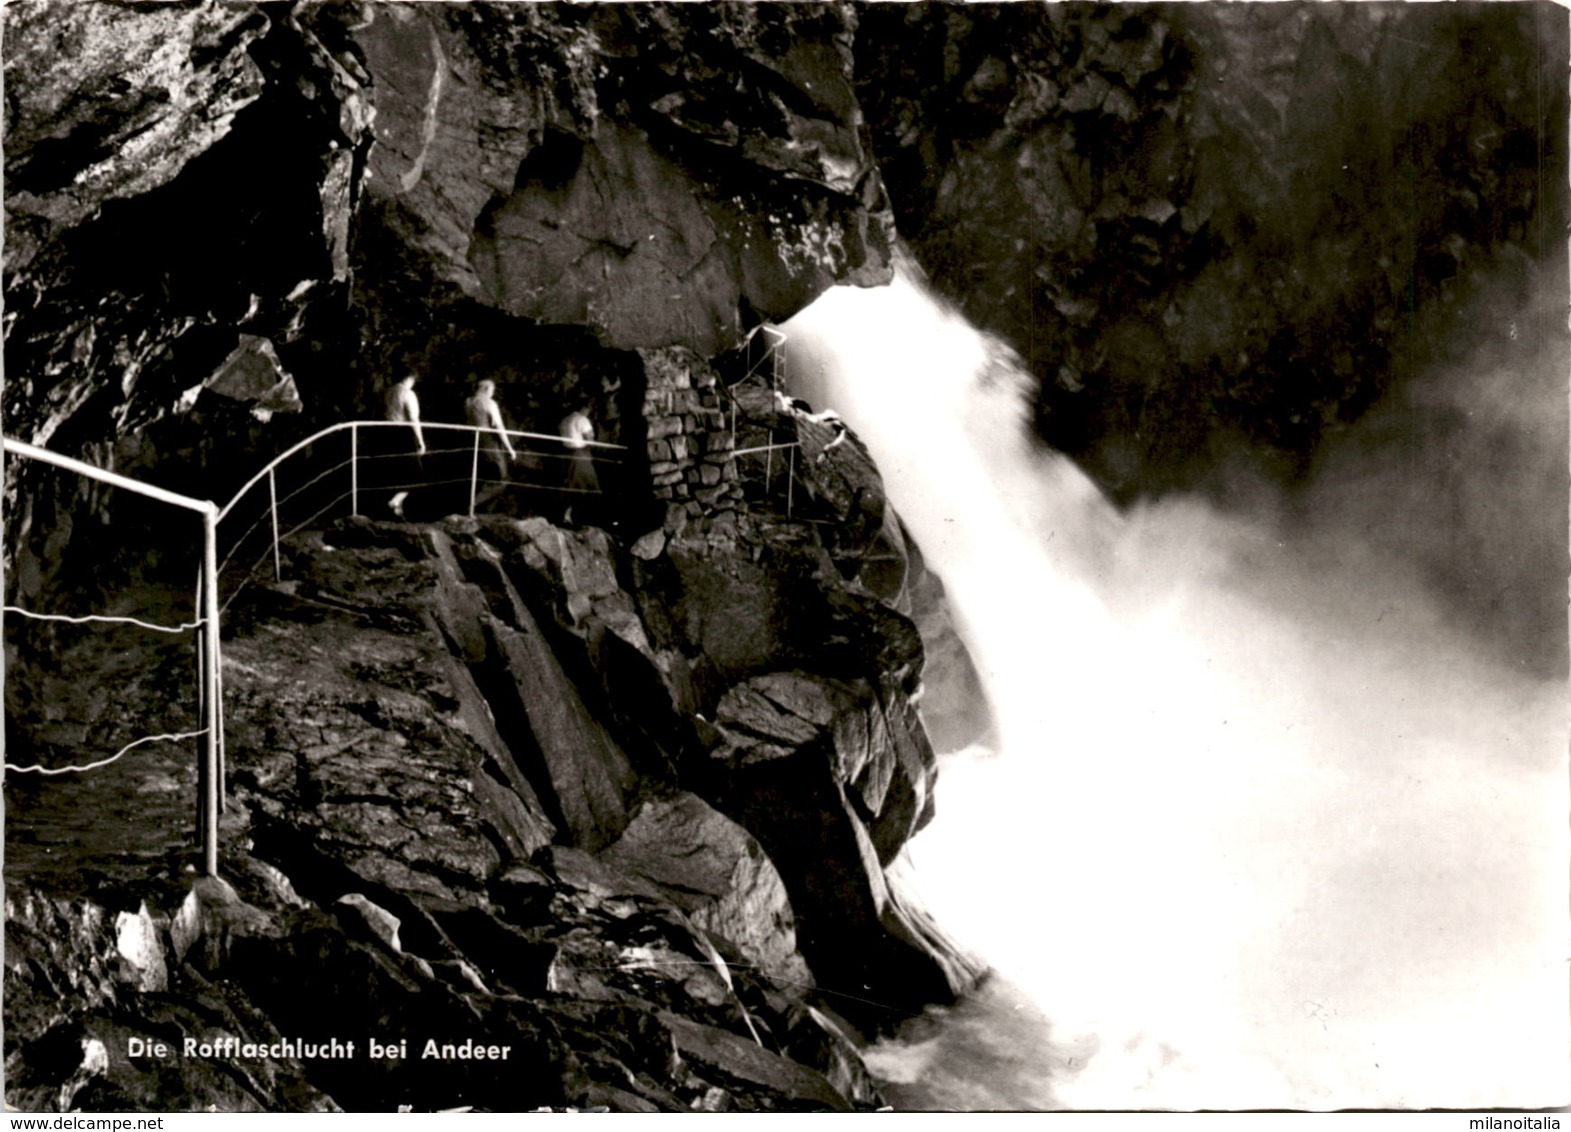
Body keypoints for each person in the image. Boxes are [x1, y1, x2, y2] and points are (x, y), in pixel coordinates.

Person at [382, 373, 426, 518]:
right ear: (411, 379)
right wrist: (420, 441)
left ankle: (397, 509)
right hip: (403, 434)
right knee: (416, 474)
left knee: (394, 472)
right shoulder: (408, 394)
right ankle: (396, 501)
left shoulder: (389, 392)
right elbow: (414, 419)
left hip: (386, 433)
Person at [464, 378, 516, 491]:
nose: (492, 393)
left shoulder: (468, 401)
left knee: (479, 476)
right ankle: (474, 505)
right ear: (487, 389)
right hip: (488, 441)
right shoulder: (489, 403)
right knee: (501, 478)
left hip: (472, 440)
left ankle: (474, 502)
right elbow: (499, 427)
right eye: (492, 390)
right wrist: (510, 448)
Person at [558, 401, 599, 525]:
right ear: (585, 407)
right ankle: (585, 518)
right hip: (580, 455)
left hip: (567, 455)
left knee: (572, 485)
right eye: (589, 408)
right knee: (588, 486)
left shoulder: (564, 420)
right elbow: (590, 440)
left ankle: (568, 515)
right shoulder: (582, 420)